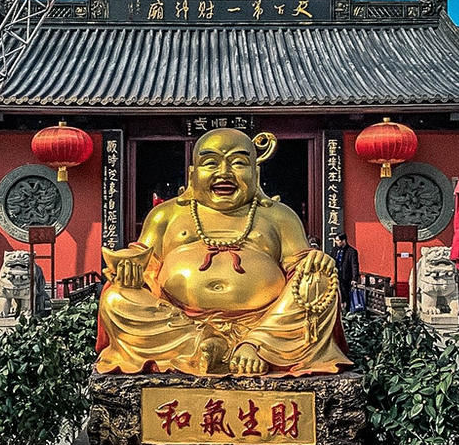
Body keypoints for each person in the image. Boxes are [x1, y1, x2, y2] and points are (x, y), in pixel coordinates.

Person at [96, 128, 352, 377]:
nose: (224, 173)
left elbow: (300, 264)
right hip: (179, 323)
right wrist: (130, 273)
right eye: (210, 163)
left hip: (266, 323)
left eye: (239, 163)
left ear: (256, 173)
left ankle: (256, 347)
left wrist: (315, 262)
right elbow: (145, 263)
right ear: (192, 174)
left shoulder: (278, 215)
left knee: (319, 282)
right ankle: (201, 346)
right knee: (117, 300)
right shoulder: (167, 214)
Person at [333, 233, 360, 312]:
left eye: (338, 240)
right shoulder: (335, 250)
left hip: (346, 277)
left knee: (346, 295)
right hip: (335, 276)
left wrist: (354, 278)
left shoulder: (351, 251)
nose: (337, 242)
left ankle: (347, 312)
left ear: (343, 241)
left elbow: (354, 265)